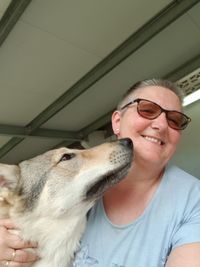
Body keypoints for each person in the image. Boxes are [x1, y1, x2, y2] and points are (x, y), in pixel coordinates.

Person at [0, 78, 200, 267]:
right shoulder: (83, 192)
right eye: (147, 110)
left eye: (175, 120)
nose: (162, 125)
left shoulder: (192, 200)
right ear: (117, 121)